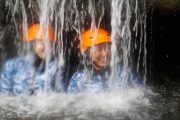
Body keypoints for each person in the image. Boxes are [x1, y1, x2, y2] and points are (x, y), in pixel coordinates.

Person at [67, 28, 144, 94]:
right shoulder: (79, 79)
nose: (105, 54)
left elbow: (142, 94)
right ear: (87, 53)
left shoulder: (124, 72)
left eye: (108, 48)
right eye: (99, 49)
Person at [0, 23, 65, 95]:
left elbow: (60, 94)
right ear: (32, 44)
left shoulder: (56, 67)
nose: (48, 48)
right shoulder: (12, 65)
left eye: (51, 44)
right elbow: (3, 94)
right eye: (43, 43)